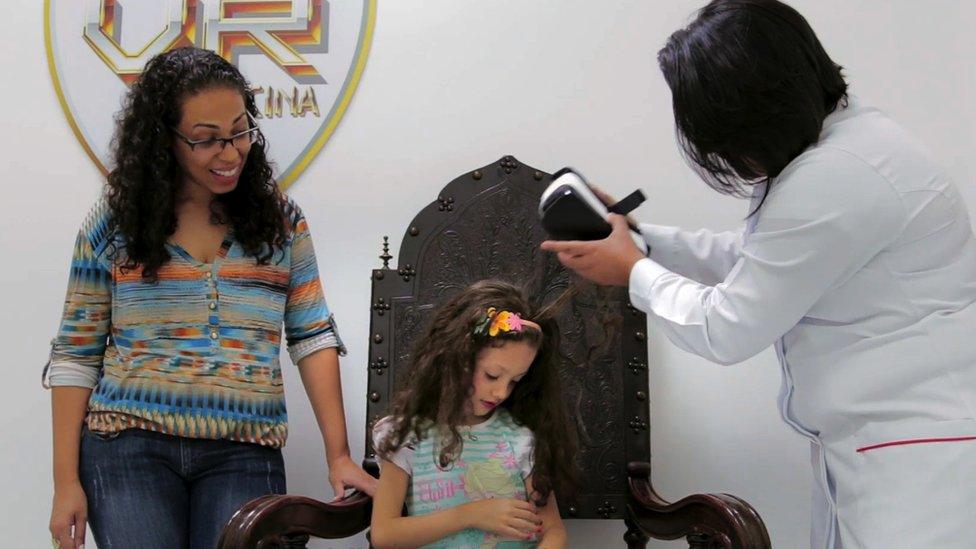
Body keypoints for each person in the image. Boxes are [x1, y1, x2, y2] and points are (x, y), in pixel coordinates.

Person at [541, 1, 976, 547]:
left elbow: (727, 327)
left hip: (916, 461)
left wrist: (635, 272)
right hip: (886, 449)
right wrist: (641, 240)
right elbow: (757, 259)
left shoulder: (837, 177)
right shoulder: (845, 151)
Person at [45, 47, 375, 549]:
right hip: (127, 446)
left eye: (241, 131)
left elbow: (311, 335)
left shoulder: (281, 223)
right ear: (164, 140)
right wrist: (65, 483)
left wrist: (340, 455)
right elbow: (76, 353)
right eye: (206, 140)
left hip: (244, 449)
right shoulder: (115, 224)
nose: (230, 152)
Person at [369, 280, 578, 549]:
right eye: (492, 375)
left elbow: (554, 532)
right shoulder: (407, 437)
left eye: (515, 381)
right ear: (456, 359)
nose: (502, 392)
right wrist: (471, 515)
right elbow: (384, 535)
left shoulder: (519, 439)